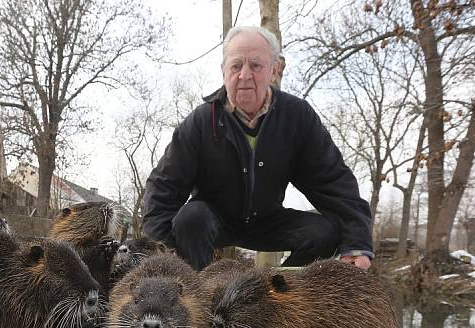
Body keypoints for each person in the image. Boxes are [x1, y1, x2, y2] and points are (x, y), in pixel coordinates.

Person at [142, 25, 373, 271]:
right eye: (235, 66)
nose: (244, 75)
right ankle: (195, 296)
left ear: (274, 70)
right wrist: (160, 255)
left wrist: (357, 244)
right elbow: (163, 188)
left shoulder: (297, 118)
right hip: (212, 220)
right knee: (190, 218)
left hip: (268, 220)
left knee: (325, 231)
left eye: (255, 65)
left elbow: (333, 181)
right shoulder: (200, 122)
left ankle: (278, 295)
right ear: (223, 72)